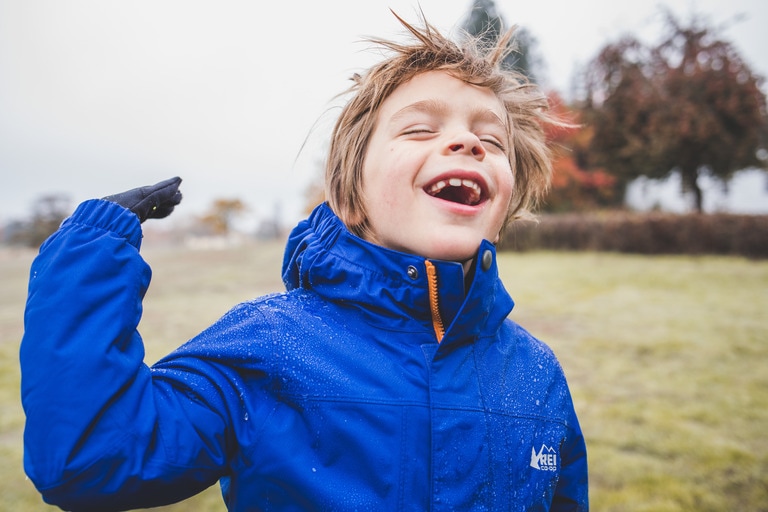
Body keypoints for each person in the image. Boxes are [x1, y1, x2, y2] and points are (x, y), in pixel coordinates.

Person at [20, 12, 588, 511]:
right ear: (349, 196)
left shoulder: (537, 373)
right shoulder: (268, 345)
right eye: (420, 128)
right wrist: (89, 253)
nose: (469, 144)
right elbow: (91, 460)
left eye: (491, 141)